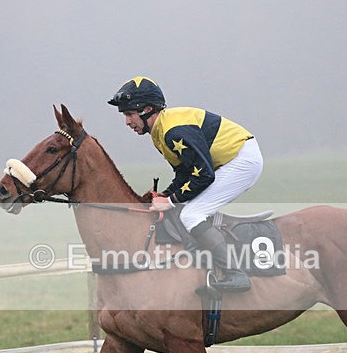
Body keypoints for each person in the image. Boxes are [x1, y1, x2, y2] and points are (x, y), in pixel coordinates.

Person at [108, 76, 264, 292]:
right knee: (185, 208)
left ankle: (235, 274)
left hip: (242, 161)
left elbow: (203, 176)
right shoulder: (159, 132)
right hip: (227, 161)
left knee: (191, 214)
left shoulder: (173, 132)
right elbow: (185, 173)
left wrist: (170, 201)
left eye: (129, 114)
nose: (127, 122)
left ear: (147, 110)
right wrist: (165, 195)